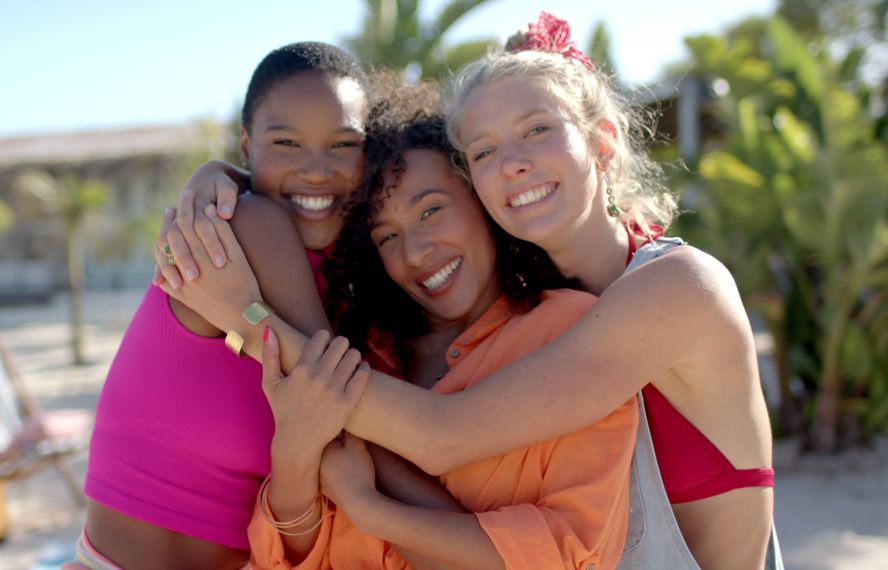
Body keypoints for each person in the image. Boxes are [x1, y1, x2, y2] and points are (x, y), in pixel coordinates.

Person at [156, 13, 778, 570]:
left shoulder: (675, 286)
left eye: (537, 130)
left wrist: (243, 318)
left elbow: (442, 434)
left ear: (603, 141)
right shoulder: (537, 303)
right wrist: (225, 177)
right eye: (485, 150)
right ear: (475, 184)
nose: (513, 163)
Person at [245, 95, 639, 569]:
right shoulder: (363, 354)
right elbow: (295, 556)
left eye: (430, 212)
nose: (414, 253)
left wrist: (370, 509)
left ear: (481, 200)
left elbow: (565, 554)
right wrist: (293, 456)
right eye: (387, 237)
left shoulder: (570, 333)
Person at [77, 41, 372, 570]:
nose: (316, 170)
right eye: (286, 142)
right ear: (246, 145)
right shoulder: (244, 226)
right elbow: (328, 396)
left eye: (343, 144)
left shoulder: (355, 266)